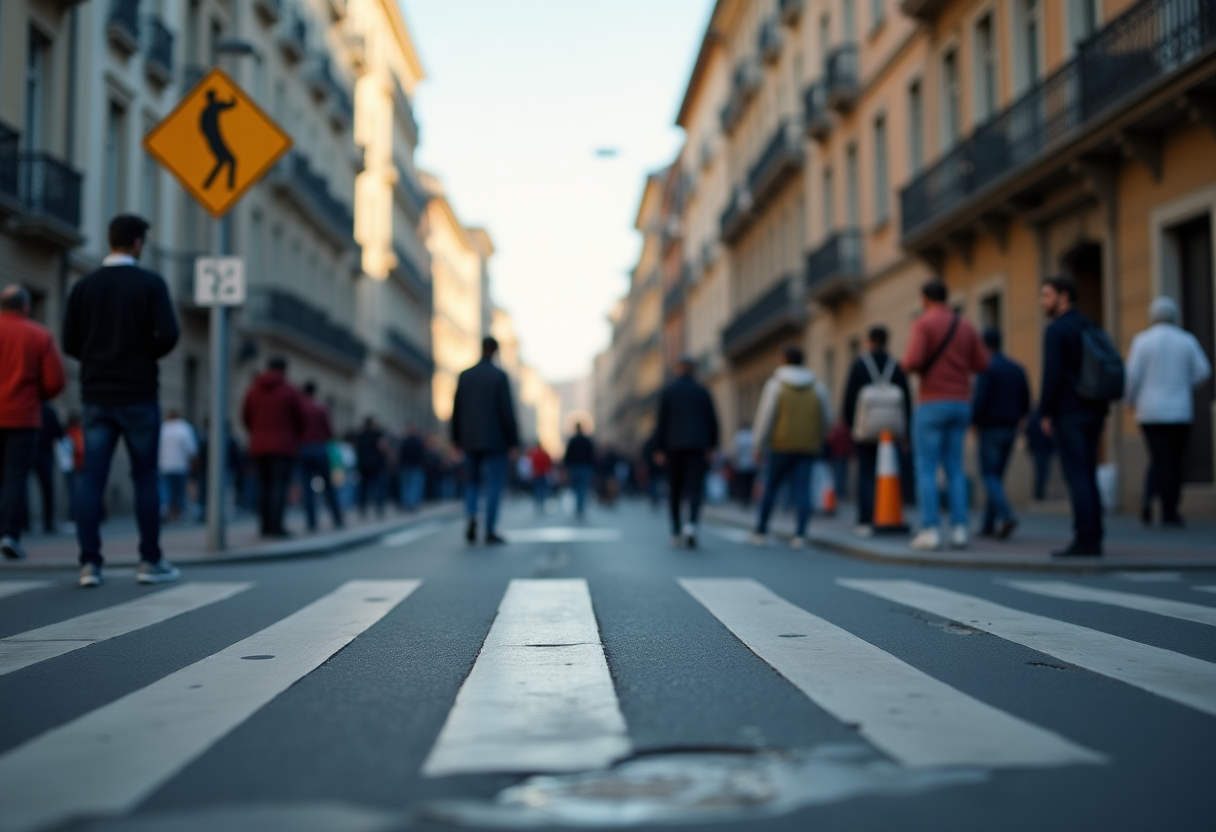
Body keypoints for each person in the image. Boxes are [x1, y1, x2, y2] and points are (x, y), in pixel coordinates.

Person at [63, 216, 180, 586]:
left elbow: (69, 343)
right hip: (139, 394)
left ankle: (89, 565)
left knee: (91, 477)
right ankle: (149, 561)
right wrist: (143, 354)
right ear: (137, 243)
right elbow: (170, 335)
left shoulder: (84, 286)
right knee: (145, 476)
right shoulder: (150, 284)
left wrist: (98, 358)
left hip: (96, 395)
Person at [901, 281, 989, 551]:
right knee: (955, 468)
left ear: (924, 299)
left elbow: (912, 361)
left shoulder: (923, 323)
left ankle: (930, 529)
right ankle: (960, 529)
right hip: (961, 403)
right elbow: (983, 363)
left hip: (931, 401)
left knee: (926, 467)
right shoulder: (965, 325)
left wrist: (907, 364)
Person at [1039, 276, 1111, 557]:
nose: (1042, 301)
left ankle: (1085, 539)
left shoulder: (1057, 330)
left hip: (1069, 411)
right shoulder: (1089, 325)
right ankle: (1095, 535)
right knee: (1089, 472)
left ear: (1064, 296)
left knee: (1077, 475)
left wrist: (1045, 411)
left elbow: (1052, 375)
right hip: (1094, 409)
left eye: (1047, 295)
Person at [1126, 296, 1212, 527]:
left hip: (1150, 411)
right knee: (1174, 461)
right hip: (1180, 410)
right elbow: (1203, 370)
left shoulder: (1142, 341)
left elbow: (1132, 377)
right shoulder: (1186, 340)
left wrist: (1130, 400)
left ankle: (1151, 497)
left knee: (1159, 458)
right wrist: (1185, 383)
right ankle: (1170, 511)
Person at [0, 286, 66, 560]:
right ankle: (10, 535)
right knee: (16, 477)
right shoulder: (40, 335)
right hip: (23, 417)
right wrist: (33, 395)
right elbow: (55, 381)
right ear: (26, 307)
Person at [748, 345, 832, 549]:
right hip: (808, 446)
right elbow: (828, 418)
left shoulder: (775, 385)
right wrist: (818, 437)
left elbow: (766, 417)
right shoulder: (817, 386)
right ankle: (800, 534)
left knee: (771, 487)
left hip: (780, 444)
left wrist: (758, 444)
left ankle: (761, 530)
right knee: (802, 489)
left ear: (783, 360)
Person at [843, 326, 912, 536]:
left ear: (868, 341)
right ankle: (888, 513)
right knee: (890, 472)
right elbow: (907, 399)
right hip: (891, 430)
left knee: (865, 472)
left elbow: (848, 399)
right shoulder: (897, 365)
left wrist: (850, 426)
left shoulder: (859, 365)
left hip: (865, 429)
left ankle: (865, 518)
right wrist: (906, 431)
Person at [451, 337, 520, 544]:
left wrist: (455, 439)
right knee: (494, 484)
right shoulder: (499, 376)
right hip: (495, 439)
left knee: (472, 482)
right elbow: (507, 410)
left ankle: (472, 514)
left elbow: (456, 410)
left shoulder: (465, 375)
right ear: (496, 352)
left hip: (470, 439)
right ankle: (489, 529)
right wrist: (513, 441)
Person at [652, 355, 719, 548]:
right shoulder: (702, 391)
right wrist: (712, 446)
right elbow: (713, 421)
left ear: (677, 369)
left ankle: (675, 530)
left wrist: (659, 448)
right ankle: (692, 526)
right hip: (698, 447)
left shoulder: (668, 391)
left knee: (675, 489)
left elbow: (661, 423)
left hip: (673, 448)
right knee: (695, 488)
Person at [971, 328, 1031, 539]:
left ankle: (1006, 516)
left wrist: (973, 422)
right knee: (996, 477)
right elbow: (1026, 399)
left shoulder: (986, 367)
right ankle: (988, 525)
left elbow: (980, 399)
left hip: (990, 428)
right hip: (1011, 428)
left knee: (989, 475)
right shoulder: (1016, 368)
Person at [241, 357, 305, 538]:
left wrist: (257, 433)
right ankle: (276, 526)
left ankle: (264, 526)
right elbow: (300, 418)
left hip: (258, 445)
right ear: (285, 369)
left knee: (262, 486)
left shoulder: (253, 389)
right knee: (278, 486)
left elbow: (245, 416)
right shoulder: (289, 390)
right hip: (283, 446)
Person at [298, 381, 343, 531]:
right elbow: (329, 430)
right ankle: (337, 518)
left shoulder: (299, 408)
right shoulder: (321, 407)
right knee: (328, 485)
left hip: (303, 448)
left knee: (307, 487)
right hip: (319, 447)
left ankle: (311, 522)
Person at [158, 410, 197, 523]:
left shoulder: (163, 428)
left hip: (164, 464)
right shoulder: (184, 428)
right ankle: (179, 512)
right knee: (179, 491)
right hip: (181, 465)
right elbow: (191, 449)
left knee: (165, 488)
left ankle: (164, 508)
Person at [31, 403, 64, 535]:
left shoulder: (30, 407)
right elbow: (59, 431)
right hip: (45, 453)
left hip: (28, 451)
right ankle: (48, 522)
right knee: (47, 489)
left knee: (19, 486)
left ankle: (22, 523)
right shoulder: (49, 409)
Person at [355, 417, 389, 518]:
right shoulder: (378, 435)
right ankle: (379, 508)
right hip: (376, 465)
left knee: (363, 488)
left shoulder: (360, 436)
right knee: (378, 487)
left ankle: (362, 508)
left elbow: (357, 449)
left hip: (363, 465)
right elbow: (383, 448)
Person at [564, 423, 596, 519]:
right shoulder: (587, 440)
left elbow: (567, 455)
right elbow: (592, 454)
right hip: (585, 467)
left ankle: (579, 507)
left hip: (575, 467)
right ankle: (580, 508)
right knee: (582, 487)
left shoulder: (572, 440)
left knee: (577, 487)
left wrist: (566, 466)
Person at [1025, 406, 1054, 501]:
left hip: (1037, 449)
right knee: (1042, 473)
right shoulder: (1043, 419)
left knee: (1041, 472)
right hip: (1043, 449)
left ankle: (1038, 494)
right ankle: (1038, 494)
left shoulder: (1033, 418)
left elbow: (1027, 432)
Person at [398, 425, 426, 512]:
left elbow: (401, 454)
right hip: (415, 466)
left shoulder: (405, 441)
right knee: (414, 485)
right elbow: (422, 455)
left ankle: (407, 503)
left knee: (406, 486)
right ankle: (412, 503)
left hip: (406, 466)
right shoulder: (418, 441)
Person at [731, 424, 757, 507]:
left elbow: (735, 450)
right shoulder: (753, 436)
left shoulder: (739, 436)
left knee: (741, 483)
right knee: (749, 483)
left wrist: (734, 460)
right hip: (751, 464)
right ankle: (747, 499)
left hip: (741, 463)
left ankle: (742, 498)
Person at [528, 442, 553, 512]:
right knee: (543, 489)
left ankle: (538, 503)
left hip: (537, 473)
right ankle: (542, 502)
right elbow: (549, 463)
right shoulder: (545, 453)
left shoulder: (534, 454)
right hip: (544, 473)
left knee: (538, 488)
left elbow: (532, 464)